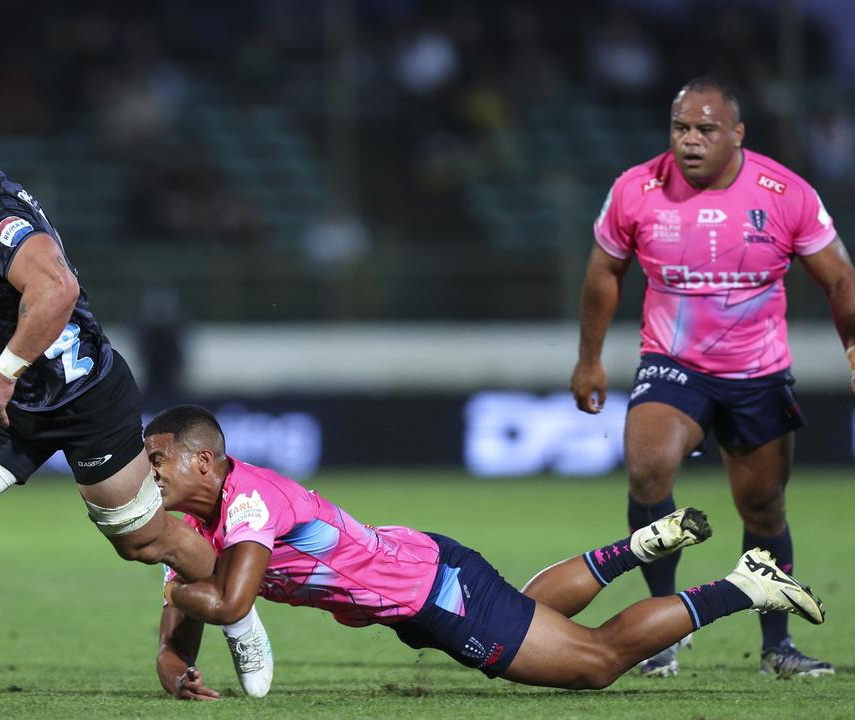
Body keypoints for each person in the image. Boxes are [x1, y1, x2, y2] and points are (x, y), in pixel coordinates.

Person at [0, 100, 264, 704]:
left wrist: (4, 370)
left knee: (144, 541)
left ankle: (236, 610)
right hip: (18, 402)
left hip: (85, 395)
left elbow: (58, 288)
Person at [144, 405, 825, 699]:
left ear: (205, 462)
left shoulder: (251, 504)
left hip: (437, 591)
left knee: (594, 663)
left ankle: (745, 584)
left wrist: (172, 585)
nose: (149, 474)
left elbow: (229, 602)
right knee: (527, 614)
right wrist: (178, 673)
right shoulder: (199, 527)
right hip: (418, 582)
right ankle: (638, 547)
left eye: (158, 460)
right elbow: (183, 636)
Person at [571, 76, 854, 678]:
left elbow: (838, 279)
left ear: (737, 134)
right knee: (648, 467)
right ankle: (661, 631)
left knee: (763, 507)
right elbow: (604, 271)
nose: (690, 141)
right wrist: (590, 358)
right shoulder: (636, 189)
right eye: (681, 128)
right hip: (674, 367)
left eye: (706, 129)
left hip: (759, 374)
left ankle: (776, 645)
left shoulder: (784, 193)